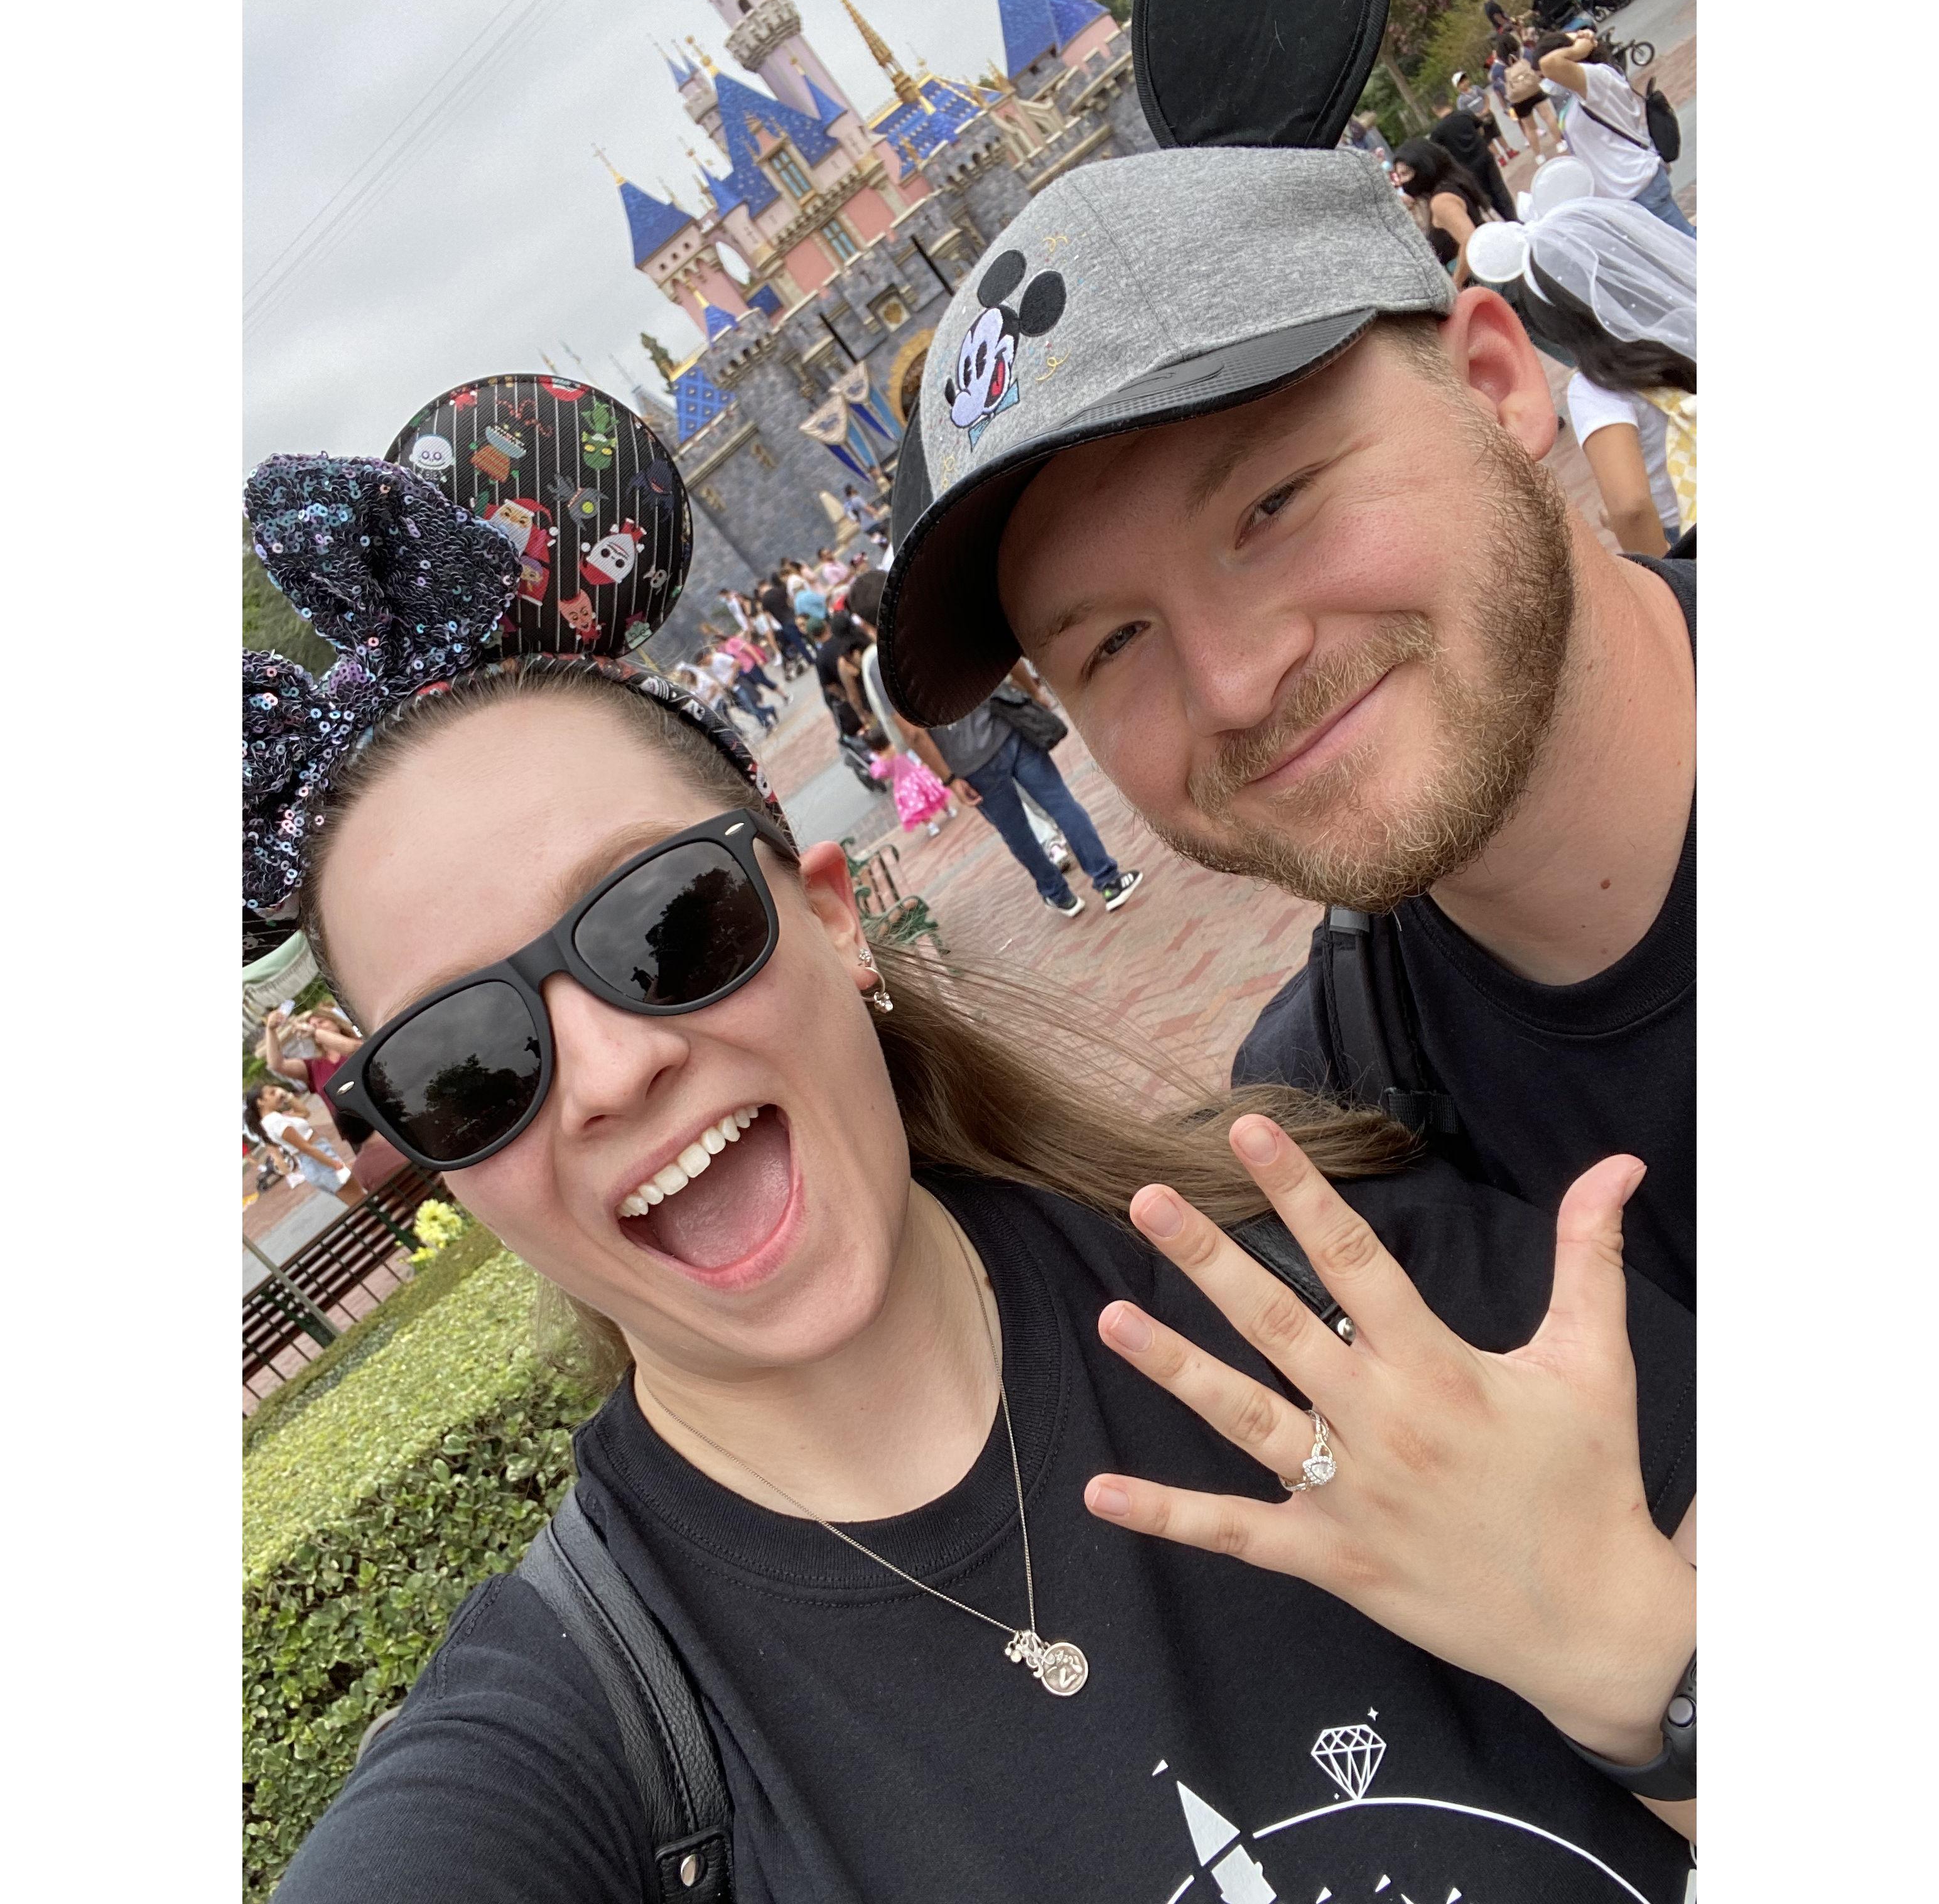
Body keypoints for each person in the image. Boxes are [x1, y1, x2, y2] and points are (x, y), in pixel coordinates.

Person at [248, 453, 1694, 1899]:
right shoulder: (574, 1742)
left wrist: (1642, 1668)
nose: (613, 1070)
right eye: (465, 1060)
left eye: (665, 922)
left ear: (832, 919)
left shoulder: (1348, 1282)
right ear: (438, 1161)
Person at [880, 148, 1699, 1340]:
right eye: (1114, 642)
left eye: (1272, 505)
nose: (1232, 683)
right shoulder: (1332, 1141)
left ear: (1495, 382)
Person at [1470, 192, 1697, 555]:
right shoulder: (1686, 322)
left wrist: (1665, 568)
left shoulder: (1598, 387)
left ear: (1553, 320)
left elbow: (1631, 507)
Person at [900, 683, 1143, 918]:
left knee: (1018, 834)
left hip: (970, 766)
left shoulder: (887, 674)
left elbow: (914, 734)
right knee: (1060, 803)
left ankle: (1060, 896)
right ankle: (1109, 881)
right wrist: (1033, 690)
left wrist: (950, 779)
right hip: (1004, 728)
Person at [1535, 30, 1695, 235]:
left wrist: (1579, 47)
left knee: (1687, 245)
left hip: (1638, 186)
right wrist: (1579, 38)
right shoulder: (1581, 89)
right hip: (1627, 192)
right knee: (1680, 246)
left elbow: (1550, 64)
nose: (1546, 81)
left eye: (1544, 76)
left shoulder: (1595, 79)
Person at [262, 1003, 372, 1146]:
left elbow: (353, 1049)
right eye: (313, 1025)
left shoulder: (358, 1042)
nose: (317, 1027)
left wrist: (315, 1032)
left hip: (380, 1115)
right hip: (356, 1134)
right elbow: (277, 1064)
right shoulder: (314, 1066)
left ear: (336, 1022)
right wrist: (270, 1030)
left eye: (321, 1022)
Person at [1392, 139, 1495, 283]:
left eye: (1406, 174)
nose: (1403, 181)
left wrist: (1457, 282)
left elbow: (1469, 241)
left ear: (1423, 167)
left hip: (1479, 277)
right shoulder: (1452, 184)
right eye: (1400, 176)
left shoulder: (1441, 201)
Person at [247, 1084, 365, 1208]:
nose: (277, 1093)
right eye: (272, 1093)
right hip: (319, 1161)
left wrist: (288, 1097)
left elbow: (304, 1113)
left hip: (317, 1160)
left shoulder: (274, 1119)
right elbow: (304, 1147)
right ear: (260, 1102)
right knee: (360, 1200)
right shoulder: (274, 1120)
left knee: (358, 1199)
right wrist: (335, 1164)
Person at [1429, 94, 1518, 223]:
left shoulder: (1437, 133)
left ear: (1435, 110)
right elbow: (1481, 130)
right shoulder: (1465, 114)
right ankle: (1513, 219)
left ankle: (1505, 222)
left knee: (1487, 195)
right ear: (1450, 102)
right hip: (1484, 157)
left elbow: (1438, 153)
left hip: (1468, 168)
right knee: (1499, 189)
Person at [865, 727, 958, 837]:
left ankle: (931, 826)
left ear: (875, 750)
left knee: (918, 806)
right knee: (934, 795)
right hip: (918, 775)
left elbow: (883, 776)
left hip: (904, 786)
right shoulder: (898, 747)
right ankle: (948, 810)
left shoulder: (882, 762)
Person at [1501, 28, 1567, 159]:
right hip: (1534, 89)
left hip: (1519, 97)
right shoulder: (1524, 53)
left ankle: (1538, 156)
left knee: (1529, 128)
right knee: (1548, 116)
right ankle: (1560, 143)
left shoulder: (1503, 64)